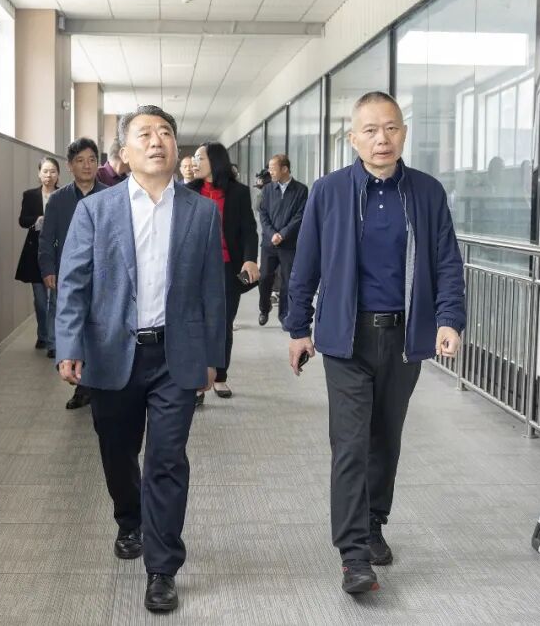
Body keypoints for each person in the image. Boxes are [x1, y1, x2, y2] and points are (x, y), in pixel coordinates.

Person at [286, 91, 465, 595]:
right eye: (370, 130)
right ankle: (353, 555)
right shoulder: (329, 191)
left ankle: (373, 522)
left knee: (386, 438)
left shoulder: (426, 192)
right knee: (350, 443)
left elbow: (447, 261)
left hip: (404, 337)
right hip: (346, 337)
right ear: (353, 138)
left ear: (403, 133)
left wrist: (449, 320)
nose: (381, 138)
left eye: (390, 128)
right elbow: (306, 264)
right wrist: (298, 329)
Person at [55, 105, 225, 614]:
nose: (157, 141)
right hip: (112, 352)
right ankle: (129, 520)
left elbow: (212, 292)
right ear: (125, 153)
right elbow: (74, 283)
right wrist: (69, 344)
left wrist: (214, 357)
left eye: (165, 132)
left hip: (176, 354)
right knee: (118, 452)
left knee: (167, 460)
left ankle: (162, 568)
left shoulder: (201, 212)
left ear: (175, 148)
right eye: (145, 134)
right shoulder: (96, 210)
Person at [187, 143, 260, 404]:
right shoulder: (188, 191)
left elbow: (249, 230)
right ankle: (198, 381)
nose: (194, 162)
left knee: (223, 323)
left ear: (215, 161)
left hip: (227, 268)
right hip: (195, 270)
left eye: (200, 158)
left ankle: (220, 375)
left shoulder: (238, 192)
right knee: (196, 323)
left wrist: (250, 259)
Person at [39, 138, 106, 409]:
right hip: (69, 275)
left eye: (92, 160)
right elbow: (47, 239)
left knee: (99, 328)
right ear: (69, 166)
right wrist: (48, 268)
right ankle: (82, 385)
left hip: (103, 275)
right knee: (73, 326)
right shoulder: (58, 200)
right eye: (80, 161)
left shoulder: (110, 196)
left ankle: (98, 383)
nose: (87, 166)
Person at [257, 154, 308, 327]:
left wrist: (283, 234)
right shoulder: (267, 190)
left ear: (285, 169)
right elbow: (263, 214)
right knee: (264, 278)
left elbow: (300, 216)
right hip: (269, 243)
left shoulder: (301, 190)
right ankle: (264, 308)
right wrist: (272, 234)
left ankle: (284, 315)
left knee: (287, 281)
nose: (270, 172)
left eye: (273, 168)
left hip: (289, 245)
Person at [15, 158, 61, 350]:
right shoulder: (30, 195)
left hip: (58, 252)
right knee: (41, 301)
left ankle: (52, 342)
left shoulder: (64, 195)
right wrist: (37, 220)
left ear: (58, 174)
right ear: (39, 173)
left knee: (56, 300)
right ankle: (42, 334)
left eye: (53, 171)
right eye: (45, 171)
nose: (49, 175)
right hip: (35, 252)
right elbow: (22, 220)